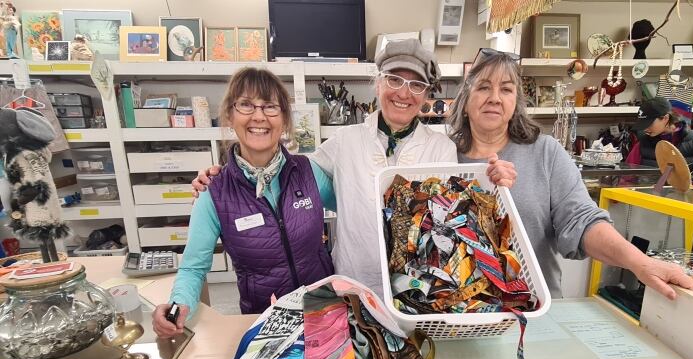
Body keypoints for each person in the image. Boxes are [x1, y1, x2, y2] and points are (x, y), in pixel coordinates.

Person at [191, 39, 517, 295]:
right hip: (352, 286)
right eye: (393, 80)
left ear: (426, 94)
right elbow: (284, 173)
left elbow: (459, 218)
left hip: (419, 287)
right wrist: (223, 176)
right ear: (377, 84)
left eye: (416, 85)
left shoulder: (441, 148)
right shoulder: (343, 142)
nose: (403, 93)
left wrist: (493, 184)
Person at [450, 50, 693, 299]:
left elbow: (582, 220)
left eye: (506, 89)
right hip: (455, 311)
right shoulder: (442, 156)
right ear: (465, 100)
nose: (494, 98)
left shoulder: (545, 152)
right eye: (483, 87)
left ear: (516, 103)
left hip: (533, 309)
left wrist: (639, 262)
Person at [153, 67, 336, 338]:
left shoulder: (309, 173)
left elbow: (357, 209)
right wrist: (178, 306)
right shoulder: (214, 192)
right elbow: (193, 267)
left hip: (325, 314)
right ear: (229, 115)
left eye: (270, 106)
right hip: (266, 324)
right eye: (246, 105)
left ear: (284, 118)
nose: (259, 116)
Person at [626, 97, 693, 186]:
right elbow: (626, 178)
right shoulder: (641, 144)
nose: (645, 129)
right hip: (650, 200)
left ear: (665, 118)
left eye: (649, 123)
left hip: (686, 200)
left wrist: (691, 184)